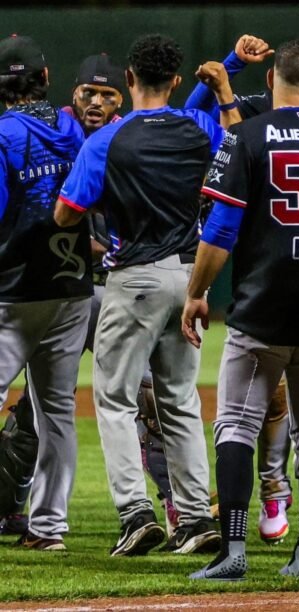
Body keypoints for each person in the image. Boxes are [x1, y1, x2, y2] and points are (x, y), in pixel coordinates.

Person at [181, 37, 299, 581]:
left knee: (236, 426)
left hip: (261, 305)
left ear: (271, 80)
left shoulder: (245, 135)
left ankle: (234, 552)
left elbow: (220, 228)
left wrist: (196, 291)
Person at [54, 33, 227, 556]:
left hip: (133, 279)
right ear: (176, 82)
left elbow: (66, 213)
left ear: (128, 79)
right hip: (190, 276)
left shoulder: (108, 139)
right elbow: (238, 162)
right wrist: (227, 86)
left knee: (114, 400)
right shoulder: (200, 128)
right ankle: (195, 518)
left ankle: (135, 514)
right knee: (178, 401)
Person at [0, 34, 91, 551]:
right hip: (71, 289)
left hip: (13, 293)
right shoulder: (74, 129)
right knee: (56, 411)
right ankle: (48, 527)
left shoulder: (3, 134)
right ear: (47, 79)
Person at [61, 53, 124, 135]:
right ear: (74, 94)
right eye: (88, 93)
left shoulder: (124, 134)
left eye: (107, 95)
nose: (96, 102)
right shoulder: (55, 125)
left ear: (120, 100)